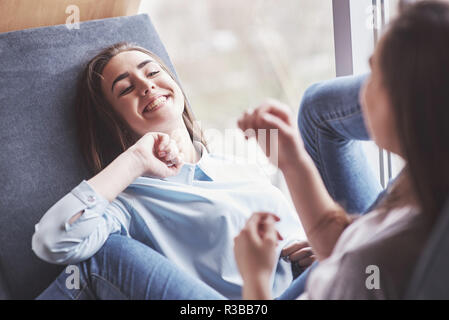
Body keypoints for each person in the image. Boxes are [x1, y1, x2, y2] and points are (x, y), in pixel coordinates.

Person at [32, 43, 314, 300]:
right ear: (113, 122)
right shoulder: (129, 202)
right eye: (126, 89)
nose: (146, 86)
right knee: (100, 256)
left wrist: (310, 252)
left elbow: (292, 238)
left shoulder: (237, 166)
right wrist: (136, 158)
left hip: (306, 288)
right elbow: (52, 241)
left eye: (152, 72)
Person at [235, 0, 449, 299]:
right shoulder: (421, 185)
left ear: (405, 104)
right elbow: (345, 245)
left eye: (374, 74)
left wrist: (254, 277)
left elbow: (361, 263)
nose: (361, 89)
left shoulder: (378, 266)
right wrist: (292, 161)